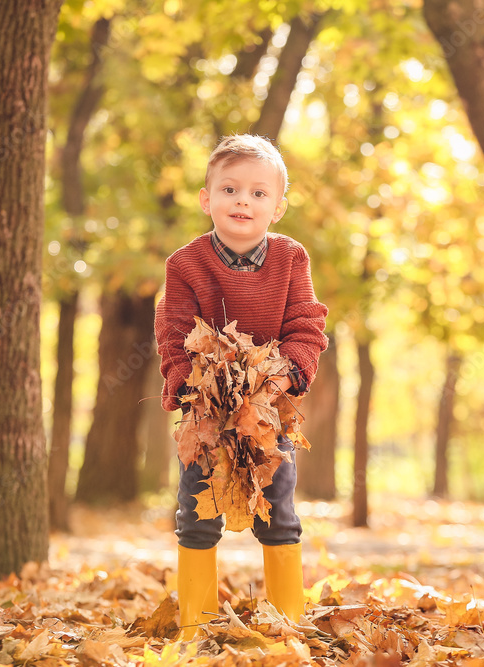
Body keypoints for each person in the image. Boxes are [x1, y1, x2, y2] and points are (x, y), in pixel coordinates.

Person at [154, 134, 329, 639]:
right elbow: (173, 333)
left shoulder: (292, 259)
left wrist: (288, 373)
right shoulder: (184, 265)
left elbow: (306, 324)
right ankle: (195, 624)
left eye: (258, 193)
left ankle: (287, 620)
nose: (243, 202)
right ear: (207, 199)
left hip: (271, 410)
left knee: (278, 513)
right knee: (197, 512)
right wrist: (188, 386)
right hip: (206, 412)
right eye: (229, 190)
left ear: (277, 207)